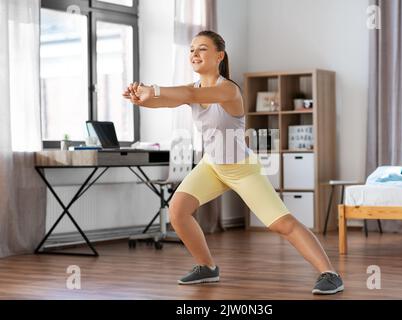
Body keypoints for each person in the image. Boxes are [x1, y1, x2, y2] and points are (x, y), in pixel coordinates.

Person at [122, 30, 343, 295]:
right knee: (178, 210)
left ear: (219, 56)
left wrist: (154, 89)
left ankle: (330, 274)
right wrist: (143, 99)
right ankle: (206, 267)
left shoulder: (228, 89)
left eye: (202, 48)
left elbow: (187, 97)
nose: (194, 53)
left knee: (280, 224)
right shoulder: (193, 89)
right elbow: (169, 101)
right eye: (191, 49)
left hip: (242, 168)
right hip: (212, 166)